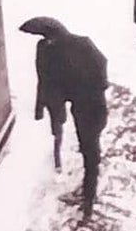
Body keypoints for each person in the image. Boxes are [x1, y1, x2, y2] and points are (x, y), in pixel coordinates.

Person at [19, 17, 107, 219]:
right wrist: (43, 106)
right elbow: (45, 80)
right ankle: (88, 186)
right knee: (86, 148)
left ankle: (89, 199)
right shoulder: (48, 50)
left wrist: (87, 88)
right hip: (77, 106)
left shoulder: (82, 45)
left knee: (90, 153)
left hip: (91, 106)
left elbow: (101, 69)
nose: (46, 41)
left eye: (48, 38)